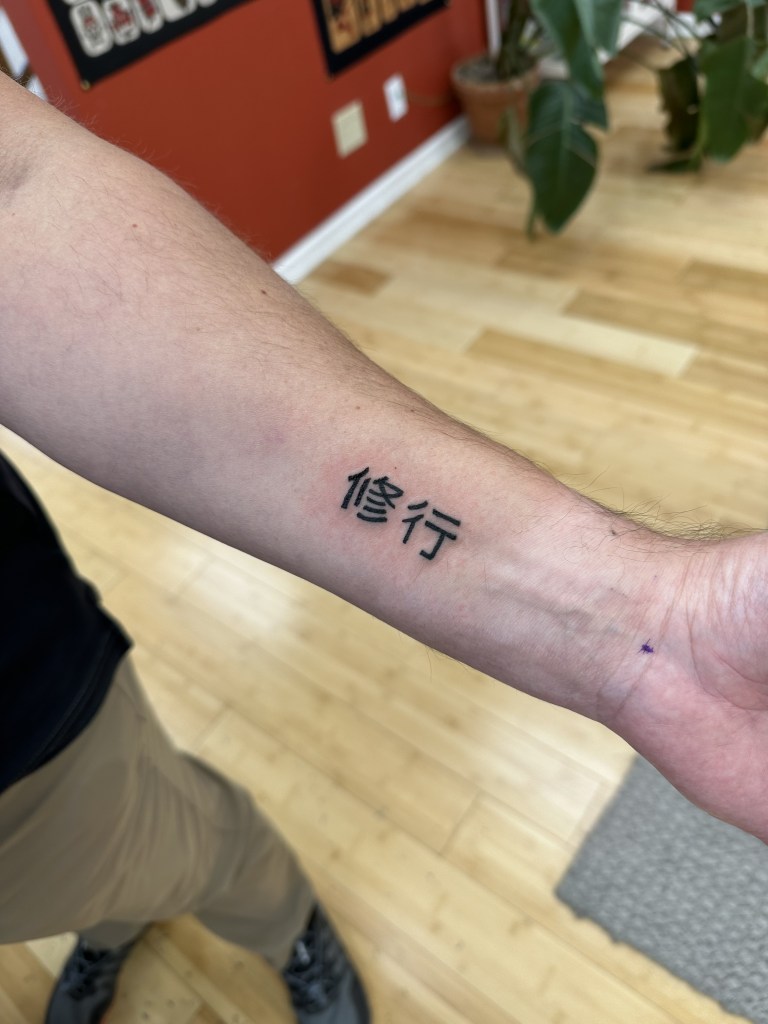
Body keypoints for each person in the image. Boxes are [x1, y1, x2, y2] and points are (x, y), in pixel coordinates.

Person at [1, 67, 767, 1023]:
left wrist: (649, 623)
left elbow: (15, 200)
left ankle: (277, 926)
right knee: (110, 874)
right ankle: (113, 919)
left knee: (168, 847)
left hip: (23, 730)